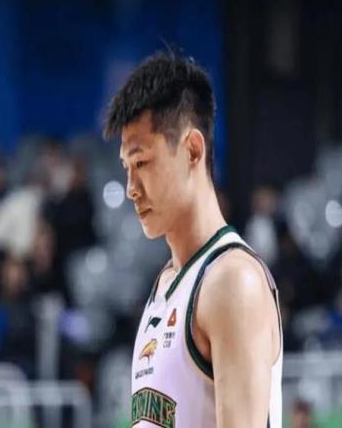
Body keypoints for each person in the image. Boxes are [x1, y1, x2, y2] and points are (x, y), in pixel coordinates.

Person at [104, 52, 282, 427]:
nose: (131, 188)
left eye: (142, 163)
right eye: (126, 167)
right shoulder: (165, 284)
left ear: (192, 150)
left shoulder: (233, 282)